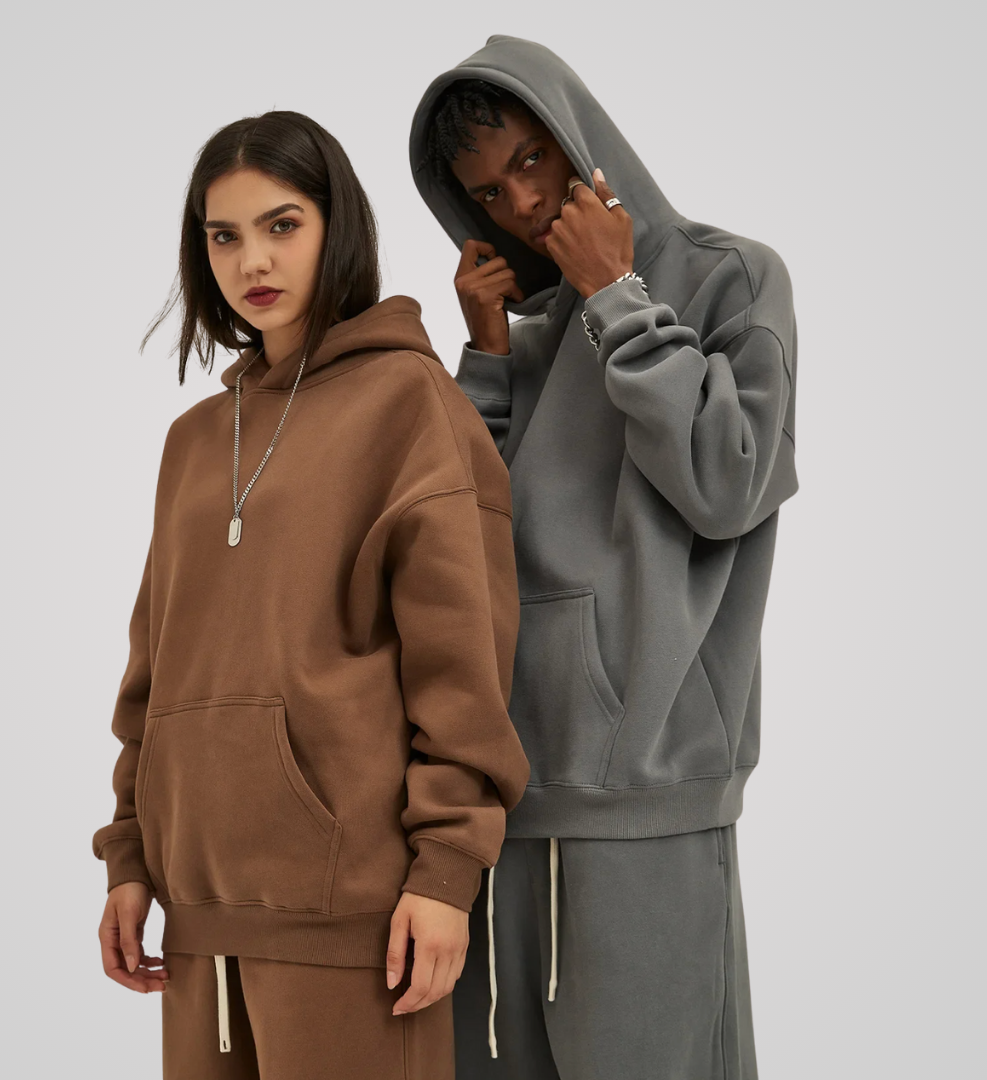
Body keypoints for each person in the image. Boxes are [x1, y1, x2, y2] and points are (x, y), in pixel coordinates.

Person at [91, 109, 530, 1080]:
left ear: (339, 227)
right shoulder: (193, 441)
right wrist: (130, 857)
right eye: (225, 235)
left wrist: (447, 871)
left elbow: (463, 661)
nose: (253, 260)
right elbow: (155, 672)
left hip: (357, 919)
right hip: (198, 918)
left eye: (282, 225)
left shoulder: (408, 402)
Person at [410, 35, 799, 1080]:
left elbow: (729, 485)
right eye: (488, 194)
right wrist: (487, 361)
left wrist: (618, 293)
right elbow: (460, 549)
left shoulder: (731, 278)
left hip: (647, 807)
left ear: (578, 136)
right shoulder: (523, 333)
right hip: (494, 813)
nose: (523, 203)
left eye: (533, 161)